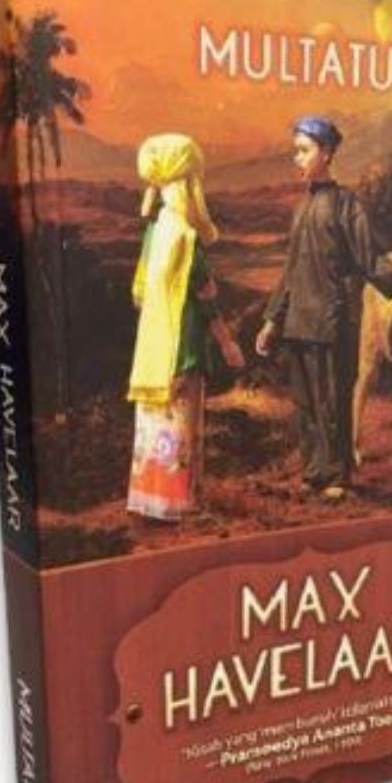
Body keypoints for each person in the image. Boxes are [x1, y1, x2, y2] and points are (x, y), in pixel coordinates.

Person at [255, 116, 392, 501]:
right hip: (297, 323)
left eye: (304, 151)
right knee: (306, 405)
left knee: (332, 401)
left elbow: (370, 259)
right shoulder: (301, 207)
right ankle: (314, 472)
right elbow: (291, 271)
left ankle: (337, 476)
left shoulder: (346, 204)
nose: (297, 159)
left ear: (328, 153)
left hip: (333, 322)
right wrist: (271, 321)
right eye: (296, 151)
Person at [127, 133, 244, 521]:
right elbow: (207, 298)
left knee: (156, 425)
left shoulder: (153, 231)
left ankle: (150, 500)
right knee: (182, 425)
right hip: (185, 347)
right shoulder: (186, 237)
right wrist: (227, 344)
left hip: (153, 350)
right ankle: (181, 504)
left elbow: (139, 295)